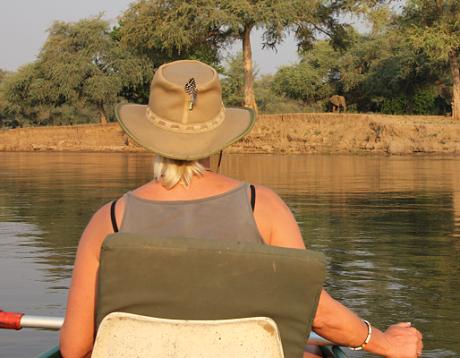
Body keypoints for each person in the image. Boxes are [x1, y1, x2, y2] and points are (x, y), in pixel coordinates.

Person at [59, 60, 423, 358]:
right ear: (221, 139)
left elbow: (75, 349)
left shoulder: (108, 220)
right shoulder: (261, 206)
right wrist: (386, 343)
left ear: (149, 137)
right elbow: (317, 314)